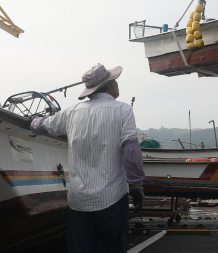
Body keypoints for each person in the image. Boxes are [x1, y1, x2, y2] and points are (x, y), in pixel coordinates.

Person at [31, 64, 145, 253]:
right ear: (109, 86)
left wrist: (34, 120)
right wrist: (137, 186)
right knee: (114, 247)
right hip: (112, 197)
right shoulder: (123, 110)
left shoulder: (71, 112)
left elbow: (40, 126)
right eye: (115, 81)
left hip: (79, 200)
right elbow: (131, 151)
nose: (117, 85)